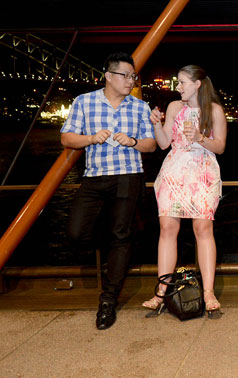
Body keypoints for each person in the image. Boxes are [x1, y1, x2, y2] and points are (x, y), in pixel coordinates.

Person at [61, 52, 156, 330]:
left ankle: (108, 300)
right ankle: (113, 246)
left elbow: (151, 145)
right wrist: (91, 138)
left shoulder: (139, 107)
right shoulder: (84, 102)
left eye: (133, 76)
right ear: (109, 76)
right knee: (76, 231)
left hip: (129, 176)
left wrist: (134, 141)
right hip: (95, 177)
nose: (131, 81)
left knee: (121, 236)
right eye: (126, 76)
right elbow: (66, 137)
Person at [143, 65, 227, 314]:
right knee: (168, 227)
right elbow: (164, 143)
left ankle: (208, 292)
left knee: (203, 227)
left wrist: (200, 137)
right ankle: (161, 291)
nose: (177, 87)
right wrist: (157, 125)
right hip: (174, 170)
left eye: (181, 83)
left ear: (197, 84)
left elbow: (220, 147)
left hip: (202, 170)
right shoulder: (174, 108)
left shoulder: (214, 110)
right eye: (177, 83)